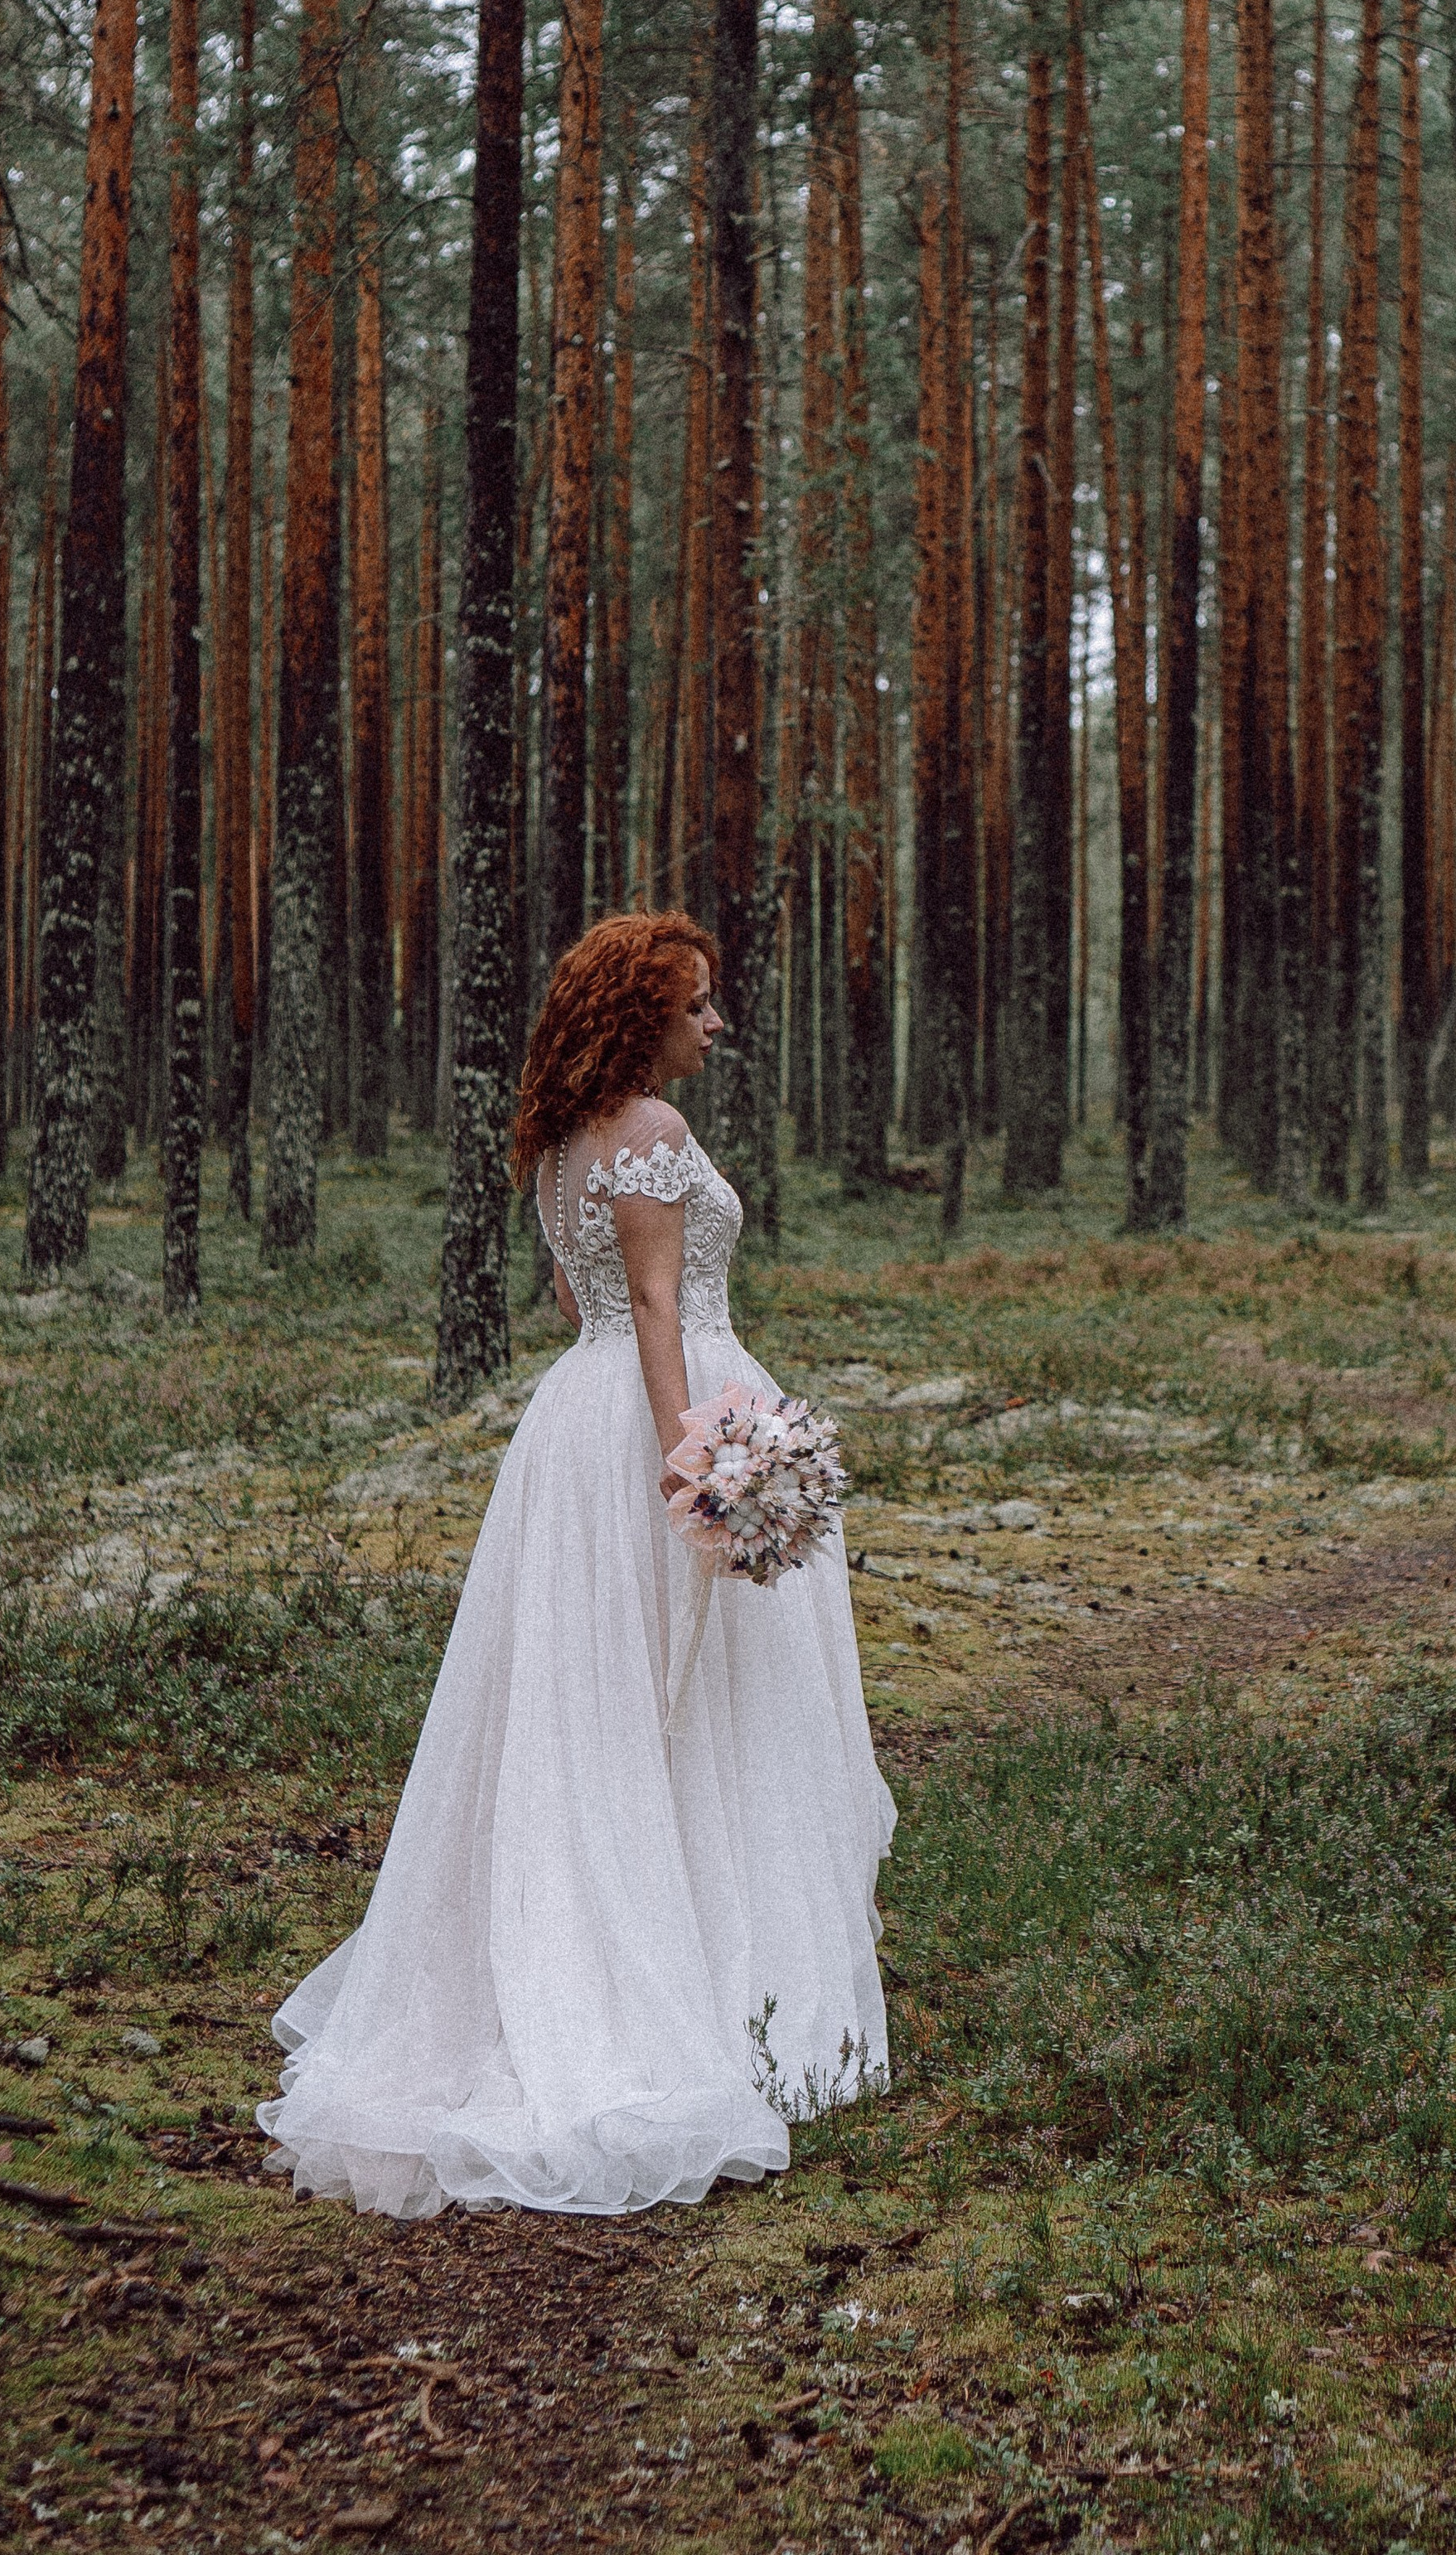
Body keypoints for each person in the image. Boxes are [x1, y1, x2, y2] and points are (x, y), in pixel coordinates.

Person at [259, 910, 894, 2218]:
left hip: (573, 1425)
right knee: (692, 1704)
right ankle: (709, 1986)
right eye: (700, 1005)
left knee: (595, 1709)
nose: (716, 1025)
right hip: (661, 1417)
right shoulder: (652, 1136)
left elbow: (581, 1301)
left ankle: (624, 1946)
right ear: (643, 1017)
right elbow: (659, 1306)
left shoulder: (559, 1149)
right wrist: (699, 1462)